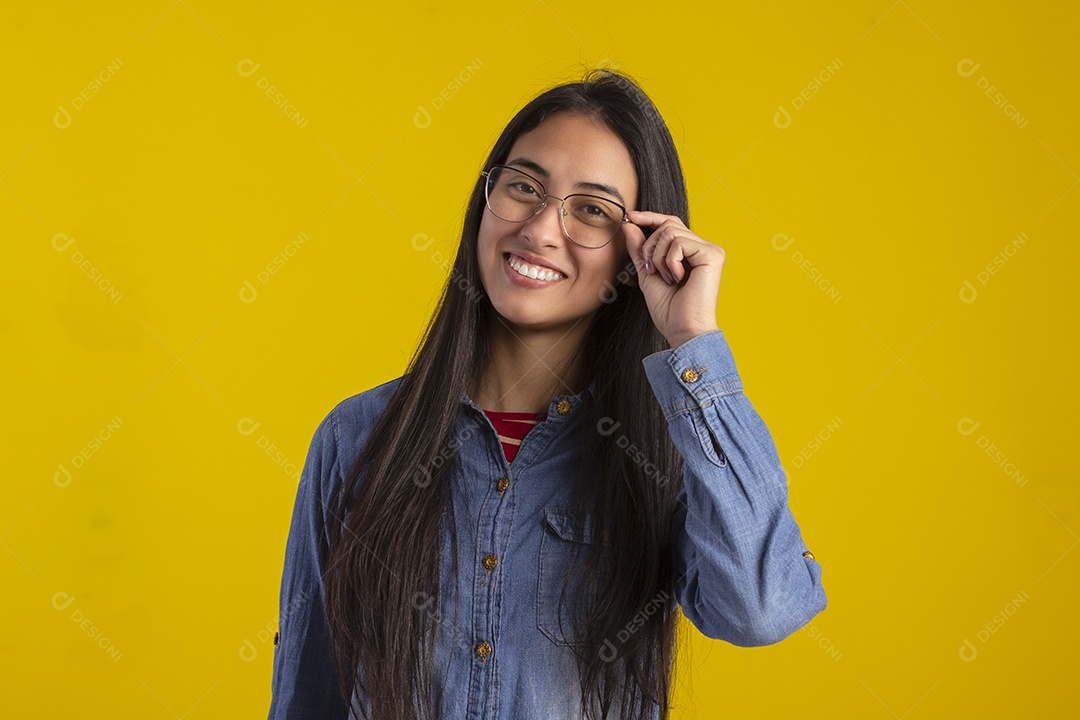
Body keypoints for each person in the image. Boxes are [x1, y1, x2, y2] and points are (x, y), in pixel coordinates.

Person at [267, 67, 827, 720]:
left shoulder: (667, 455)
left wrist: (692, 338)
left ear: (638, 251)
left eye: (591, 210)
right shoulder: (357, 437)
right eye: (524, 187)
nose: (539, 229)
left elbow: (762, 608)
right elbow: (308, 695)